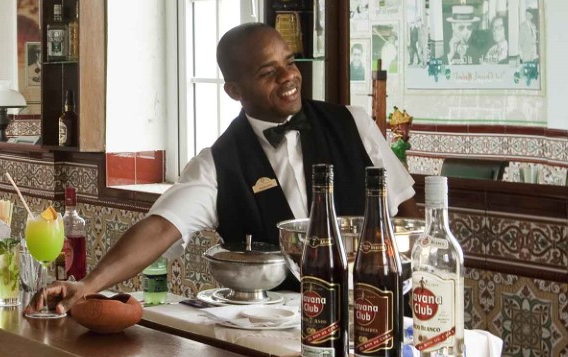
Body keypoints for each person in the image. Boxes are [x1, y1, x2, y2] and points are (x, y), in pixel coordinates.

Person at [31, 22, 415, 314]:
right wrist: (88, 284)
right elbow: (160, 227)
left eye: (289, 62)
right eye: (268, 72)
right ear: (234, 90)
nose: (288, 77)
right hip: (282, 332)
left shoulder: (353, 123)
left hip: (380, 313)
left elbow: (406, 210)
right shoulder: (219, 163)